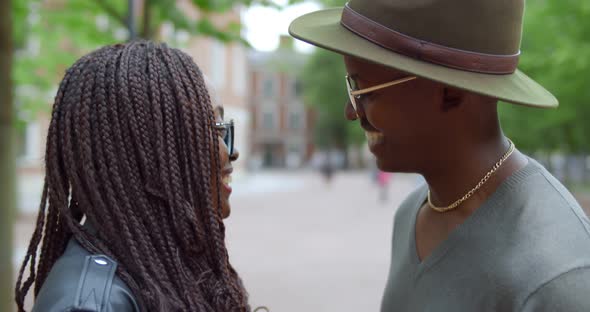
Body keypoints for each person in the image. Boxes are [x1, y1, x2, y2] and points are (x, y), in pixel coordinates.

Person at [289, 0, 590, 311]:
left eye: (363, 90)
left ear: (450, 91)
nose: (351, 112)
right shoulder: (411, 213)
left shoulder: (554, 279)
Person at [14, 41, 250, 311]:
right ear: (152, 152)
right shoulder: (93, 305)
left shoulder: (161, 262)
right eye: (215, 130)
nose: (233, 152)